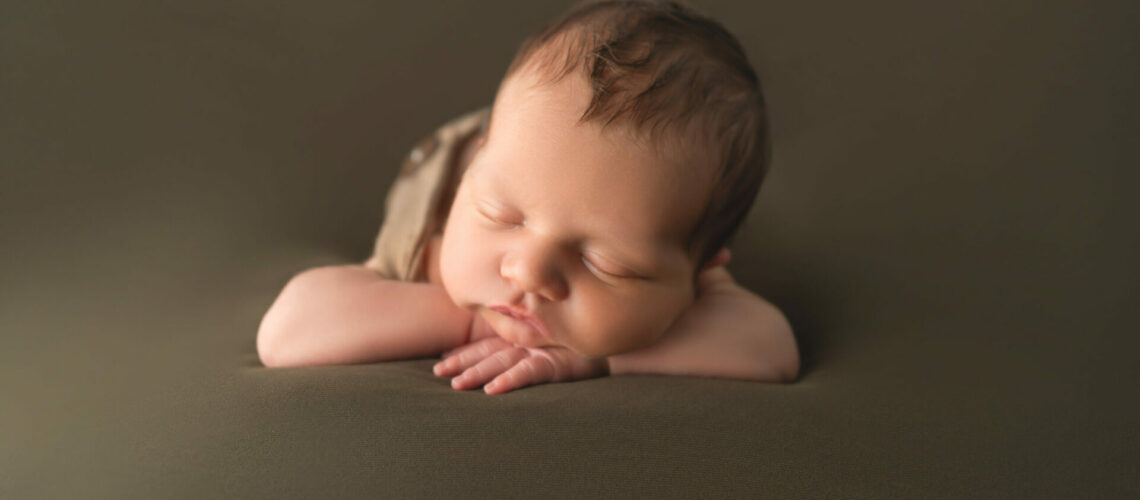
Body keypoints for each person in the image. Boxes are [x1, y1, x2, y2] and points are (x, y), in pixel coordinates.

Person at [257, 0, 800, 394]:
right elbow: (289, 331)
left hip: (542, 161)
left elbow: (771, 346)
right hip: (479, 155)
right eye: (501, 217)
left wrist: (590, 361)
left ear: (703, 267)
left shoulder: (682, 247)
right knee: (526, 158)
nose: (529, 273)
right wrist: (470, 320)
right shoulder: (440, 238)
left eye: (604, 263)